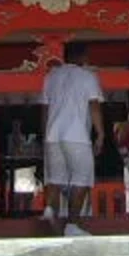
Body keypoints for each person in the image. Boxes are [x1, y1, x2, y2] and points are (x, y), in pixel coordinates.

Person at [39, 40, 104, 224]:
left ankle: (50, 210)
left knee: (54, 178)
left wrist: (45, 135)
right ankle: (73, 224)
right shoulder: (88, 76)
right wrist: (100, 134)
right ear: (83, 57)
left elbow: (44, 108)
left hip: (53, 135)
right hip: (77, 136)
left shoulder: (51, 76)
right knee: (82, 179)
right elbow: (94, 106)